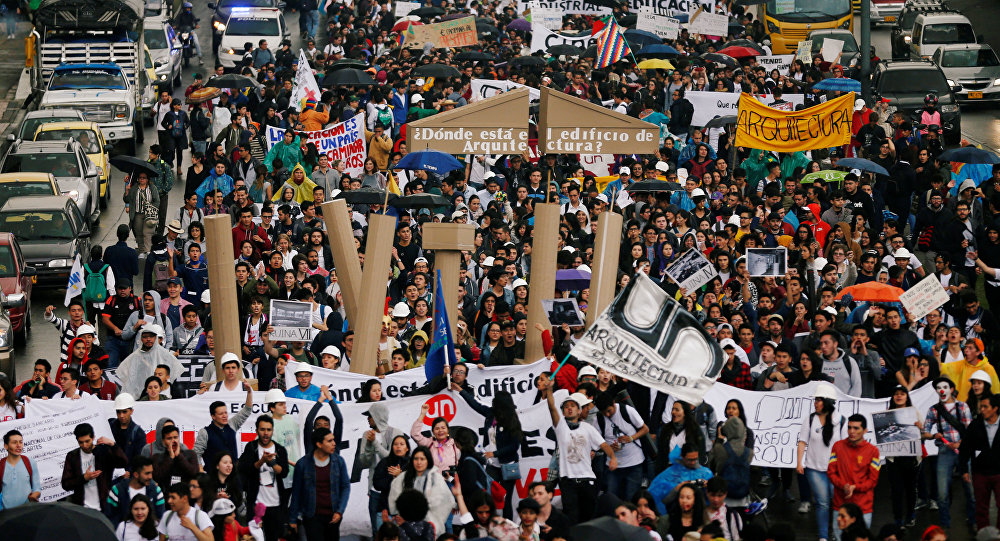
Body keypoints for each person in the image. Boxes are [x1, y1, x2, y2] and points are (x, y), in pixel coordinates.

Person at [538, 373, 616, 524]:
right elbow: (552, 407)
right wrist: (549, 390)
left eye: (573, 406)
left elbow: (604, 445)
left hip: (588, 479)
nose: (569, 409)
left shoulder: (588, 428)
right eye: (566, 407)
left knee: (589, 518)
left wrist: (612, 458)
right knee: (572, 518)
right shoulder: (560, 428)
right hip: (568, 480)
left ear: (579, 411)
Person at [922, 376, 975, 529]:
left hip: (964, 452)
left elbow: (970, 432)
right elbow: (924, 432)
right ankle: (945, 526)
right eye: (938, 388)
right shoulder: (933, 410)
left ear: (951, 389)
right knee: (942, 494)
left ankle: (972, 521)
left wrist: (960, 443)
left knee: (970, 491)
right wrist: (933, 435)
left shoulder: (963, 407)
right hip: (944, 452)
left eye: (945, 387)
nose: (942, 390)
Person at [797, 383, 847, 541]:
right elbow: (802, 442)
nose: (815, 403)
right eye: (815, 400)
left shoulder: (841, 421)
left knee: (838, 502)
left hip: (836, 470)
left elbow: (846, 447)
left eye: (818, 400)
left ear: (827, 402)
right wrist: (799, 463)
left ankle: (838, 533)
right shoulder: (810, 419)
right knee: (823, 503)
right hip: (814, 469)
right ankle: (824, 536)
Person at [288, 427, 350, 541]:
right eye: (329, 441)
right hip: (312, 516)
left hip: (333, 515)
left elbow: (346, 486)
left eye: (334, 440)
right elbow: (296, 493)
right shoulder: (302, 464)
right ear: (319, 444)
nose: (334, 444)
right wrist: (292, 519)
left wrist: (340, 511)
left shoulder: (339, 461)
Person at [237, 414, 289, 541]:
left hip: (275, 504)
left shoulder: (280, 449)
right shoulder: (251, 447)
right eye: (262, 429)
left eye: (269, 430)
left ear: (272, 431)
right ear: (257, 431)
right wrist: (261, 461)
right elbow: (244, 469)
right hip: (256, 504)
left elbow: (284, 472)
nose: (266, 433)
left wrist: (272, 463)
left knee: (274, 537)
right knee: (253, 538)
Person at [829, 414, 881, 537]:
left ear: (865, 431)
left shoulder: (873, 451)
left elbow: (873, 480)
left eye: (856, 428)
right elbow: (831, 472)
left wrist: (854, 487)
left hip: (863, 506)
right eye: (849, 427)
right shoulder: (837, 446)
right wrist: (844, 486)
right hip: (840, 505)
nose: (851, 431)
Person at [358, 402, 406, 534]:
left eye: (370, 416)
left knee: (398, 530)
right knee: (377, 531)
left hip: (394, 489)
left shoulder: (395, 433)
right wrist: (368, 445)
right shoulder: (366, 434)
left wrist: (374, 443)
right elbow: (364, 463)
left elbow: (391, 458)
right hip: (375, 490)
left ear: (378, 416)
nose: (368, 419)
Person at [387, 446, 453, 537]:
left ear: (428, 460)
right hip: (406, 525)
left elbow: (446, 501)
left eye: (422, 459)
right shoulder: (403, 477)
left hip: (431, 525)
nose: (419, 462)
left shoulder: (436, 478)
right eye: (416, 459)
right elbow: (394, 499)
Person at [61, 423, 127, 510]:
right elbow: (66, 484)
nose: (84, 445)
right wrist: (84, 478)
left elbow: (123, 462)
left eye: (87, 441)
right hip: (83, 508)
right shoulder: (73, 456)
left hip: (104, 506)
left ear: (93, 438)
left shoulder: (103, 452)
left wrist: (113, 444)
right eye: (81, 442)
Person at [958, 394, 1000, 530]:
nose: (982, 410)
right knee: (981, 506)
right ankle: (984, 534)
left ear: (995, 409)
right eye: (981, 407)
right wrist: (964, 469)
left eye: (985, 407)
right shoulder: (975, 425)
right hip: (980, 473)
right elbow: (965, 448)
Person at [648, 443, 714, 515]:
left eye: (695, 459)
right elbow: (659, 497)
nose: (693, 462)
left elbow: (713, 497)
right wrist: (677, 488)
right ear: (682, 456)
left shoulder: (705, 473)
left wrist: (709, 487)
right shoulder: (671, 473)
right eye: (690, 460)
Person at [193, 389, 253, 463]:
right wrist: (200, 468)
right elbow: (196, 454)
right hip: (213, 473)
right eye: (221, 414)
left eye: (225, 413)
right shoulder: (205, 432)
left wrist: (249, 392)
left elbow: (247, 410)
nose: (225, 416)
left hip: (233, 473)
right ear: (213, 416)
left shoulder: (232, 424)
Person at [105, 455, 166, 525]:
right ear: (136, 475)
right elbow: (110, 517)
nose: (150, 477)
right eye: (147, 473)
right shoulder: (117, 490)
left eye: (151, 473)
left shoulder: (156, 491)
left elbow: (161, 518)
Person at [1, 429, 40, 509]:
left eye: (21, 442)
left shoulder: (30, 462)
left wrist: (34, 496)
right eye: (14, 442)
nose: (18, 445)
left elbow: (37, 488)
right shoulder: (1, 465)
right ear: (6, 446)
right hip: (6, 514)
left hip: (28, 511)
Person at [152, 424, 200, 489]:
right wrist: (170, 458)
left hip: (186, 493)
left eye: (175, 437)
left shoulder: (190, 454)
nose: (173, 441)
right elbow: (157, 477)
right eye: (169, 438)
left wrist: (179, 456)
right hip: (166, 494)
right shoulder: (157, 457)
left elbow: (194, 474)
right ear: (163, 441)